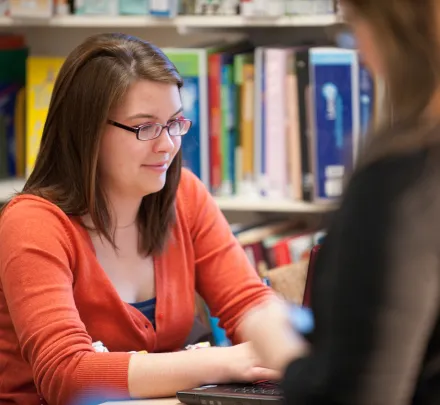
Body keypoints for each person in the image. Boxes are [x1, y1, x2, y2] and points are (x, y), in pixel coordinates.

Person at [0, 33, 306, 405]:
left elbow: (247, 302)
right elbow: (67, 375)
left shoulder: (184, 196)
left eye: (175, 122)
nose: (167, 145)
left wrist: (290, 350)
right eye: (145, 127)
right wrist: (225, 361)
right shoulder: (32, 223)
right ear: (87, 131)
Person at [244, 0, 440, 404]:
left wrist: (279, 346)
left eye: (354, 27)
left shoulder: (404, 180)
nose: (360, 52)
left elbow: (358, 393)